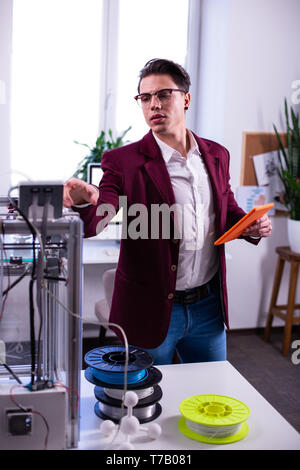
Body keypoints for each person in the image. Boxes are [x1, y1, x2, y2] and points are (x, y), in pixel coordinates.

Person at [63, 59, 272, 365]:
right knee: (145, 399)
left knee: (209, 396)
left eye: (163, 94)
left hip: (208, 306)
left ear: (186, 99)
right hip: (151, 309)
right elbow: (99, 220)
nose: (153, 105)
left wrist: (250, 225)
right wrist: (84, 201)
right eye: (145, 98)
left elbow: (225, 209)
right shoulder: (123, 161)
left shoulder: (216, 155)